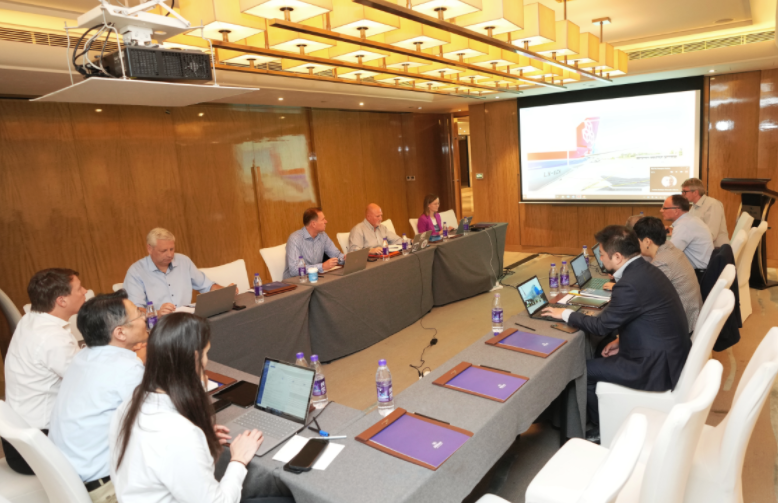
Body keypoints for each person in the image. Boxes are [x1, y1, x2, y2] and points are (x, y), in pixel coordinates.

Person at [110, 313, 288, 503]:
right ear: (195, 358)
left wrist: (201, 439)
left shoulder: (132, 402)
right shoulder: (180, 435)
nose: (206, 360)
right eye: (206, 353)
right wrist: (239, 460)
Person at [541, 225, 691, 442]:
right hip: (666, 353)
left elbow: (600, 327)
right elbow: (648, 317)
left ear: (618, 257)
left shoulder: (629, 284)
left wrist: (565, 313)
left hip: (654, 367)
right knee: (602, 348)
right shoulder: (646, 269)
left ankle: (602, 429)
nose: (600, 259)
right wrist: (621, 341)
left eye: (602, 254)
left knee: (582, 370)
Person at [49, 290, 148, 502]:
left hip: (67, 478)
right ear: (120, 333)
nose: (145, 318)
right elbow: (156, 423)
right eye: (139, 315)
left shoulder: (83, 356)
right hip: (104, 488)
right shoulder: (127, 369)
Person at [3, 268, 86, 474]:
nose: (85, 291)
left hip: (18, 440)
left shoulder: (30, 319)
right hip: (39, 448)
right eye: (79, 288)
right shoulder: (52, 337)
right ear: (61, 300)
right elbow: (89, 382)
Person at [124, 228, 231, 316]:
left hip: (186, 320)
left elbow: (207, 286)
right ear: (149, 249)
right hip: (159, 326)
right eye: (164, 251)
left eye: (172, 249)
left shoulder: (183, 261)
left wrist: (227, 292)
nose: (170, 254)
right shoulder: (136, 272)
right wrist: (157, 313)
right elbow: (134, 311)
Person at [632, 217, 703, 332]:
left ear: (647, 241)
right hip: (691, 314)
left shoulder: (661, 262)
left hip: (681, 324)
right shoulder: (669, 248)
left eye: (637, 241)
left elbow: (643, 296)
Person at [284, 207, 344, 279]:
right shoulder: (295, 239)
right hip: (296, 281)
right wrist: (322, 266)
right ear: (313, 224)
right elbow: (294, 270)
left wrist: (345, 259)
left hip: (315, 277)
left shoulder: (323, 235)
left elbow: (336, 255)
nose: (326, 221)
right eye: (323, 219)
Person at [661, 194, 714, 275]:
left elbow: (670, 254)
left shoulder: (684, 225)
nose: (661, 210)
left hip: (699, 274)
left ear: (676, 210)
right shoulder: (691, 219)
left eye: (664, 208)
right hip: (704, 270)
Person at [682, 178, 728, 247]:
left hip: (716, 250)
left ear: (695, 192)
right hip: (701, 247)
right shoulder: (694, 206)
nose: (682, 194)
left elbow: (711, 235)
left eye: (685, 192)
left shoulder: (712, 204)